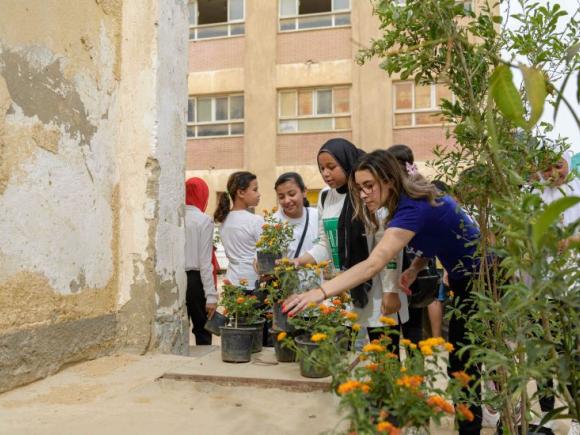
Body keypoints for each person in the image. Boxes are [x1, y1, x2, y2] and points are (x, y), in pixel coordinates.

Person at [284, 150, 483, 434]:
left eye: (369, 186)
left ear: (389, 179)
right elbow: (436, 233)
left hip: (485, 281)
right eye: (359, 188)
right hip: (465, 279)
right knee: (464, 362)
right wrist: (415, 267)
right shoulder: (410, 203)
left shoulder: (412, 207)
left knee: (466, 365)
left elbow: (374, 264)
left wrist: (320, 292)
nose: (363, 194)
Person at [293, 138, 408, 344]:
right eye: (321, 168)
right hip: (344, 287)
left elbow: (390, 249)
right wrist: (299, 261)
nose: (326, 173)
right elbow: (326, 244)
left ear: (347, 162)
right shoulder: (325, 197)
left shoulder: (369, 194)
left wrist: (391, 291)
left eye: (331, 166)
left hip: (378, 290)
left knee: (384, 358)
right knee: (342, 355)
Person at [214, 171, 263, 290]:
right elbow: (264, 255)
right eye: (255, 190)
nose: (259, 194)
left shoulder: (223, 220)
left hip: (231, 282)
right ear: (241, 193)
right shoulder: (256, 220)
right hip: (252, 283)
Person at [185, 177, 218, 346]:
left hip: (176, 279)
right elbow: (205, 262)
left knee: (180, 328)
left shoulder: (176, 217)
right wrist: (211, 296)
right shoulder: (203, 220)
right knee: (202, 330)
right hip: (196, 282)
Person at [273, 172, 319, 258]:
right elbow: (262, 260)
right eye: (281, 197)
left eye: (292, 194)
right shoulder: (272, 224)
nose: (287, 200)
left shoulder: (317, 216)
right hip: (288, 271)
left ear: (304, 191)